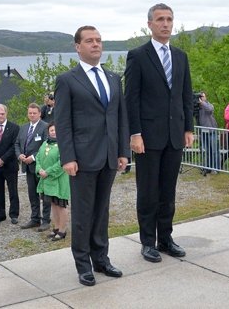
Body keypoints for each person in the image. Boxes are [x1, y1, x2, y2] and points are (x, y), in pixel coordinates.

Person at [54, 25, 130, 286]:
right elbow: (62, 122)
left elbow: (120, 117)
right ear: (78, 47)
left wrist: (123, 151)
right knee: (84, 213)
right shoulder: (67, 80)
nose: (96, 44)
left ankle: (101, 259)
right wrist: (67, 157)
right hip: (82, 159)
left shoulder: (112, 78)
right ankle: (83, 263)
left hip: (109, 156)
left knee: (102, 211)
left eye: (98, 40)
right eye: (89, 41)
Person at [125, 3, 194, 263]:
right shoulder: (138, 55)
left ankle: (165, 238)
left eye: (169, 19)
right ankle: (147, 242)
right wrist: (135, 133)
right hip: (148, 137)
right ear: (150, 24)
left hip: (174, 134)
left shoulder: (180, 56)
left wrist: (189, 127)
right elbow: (131, 98)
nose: (166, 24)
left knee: (168, 191)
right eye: (160, 20)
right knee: (148, 192)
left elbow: (186, 94)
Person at [14, 103, 50, 231]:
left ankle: (46, 220)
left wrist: (33, 157)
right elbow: (17, 143)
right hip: (28, 167)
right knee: (32, 193)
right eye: (30, 113)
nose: (32, 115)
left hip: (41, 167)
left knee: (45, 194)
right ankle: (35, 218)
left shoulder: (45, 127)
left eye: (34, 113)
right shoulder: (23, 128)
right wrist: (20, 156)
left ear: (39, 113)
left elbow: (46, 145)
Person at [35, 122, 70, 241]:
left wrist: (48, 171)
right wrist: (39, 169)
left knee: (61, 205)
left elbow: (62, 162)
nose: (53, 132)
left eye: (55, 130)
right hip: (47, 180)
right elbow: (38, 157)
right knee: (54, 205)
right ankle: (56, 228)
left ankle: (62, 230)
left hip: (59, 179)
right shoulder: (44, 143)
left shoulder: (63, 144)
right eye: (51, 130)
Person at [197, 91, 220, 175]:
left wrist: (202, 103)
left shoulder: (209, 104)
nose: (201, 98)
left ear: (205, 97)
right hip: (203, 132)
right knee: (207, 151)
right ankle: (208, 167)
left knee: (214, 151)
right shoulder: (198, 107)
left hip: (212, 131)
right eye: (200, 96)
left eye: (202, 96)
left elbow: (210, 110)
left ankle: (216, 168)